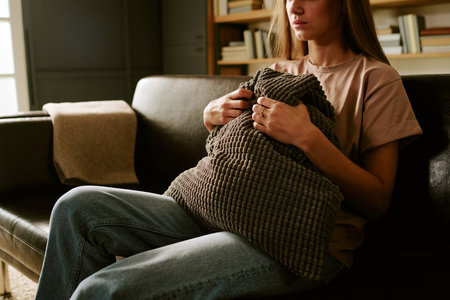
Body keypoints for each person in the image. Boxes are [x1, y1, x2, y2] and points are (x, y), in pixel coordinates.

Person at [35, 0, 422, 299]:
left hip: (302, 240)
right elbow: (238, 158)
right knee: (76, 206)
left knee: (103, 290)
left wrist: (309, 138)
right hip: (231, 213)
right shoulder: (278, 71)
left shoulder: (376, 79)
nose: (294, 6)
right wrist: (211, 118)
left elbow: (377, 200)